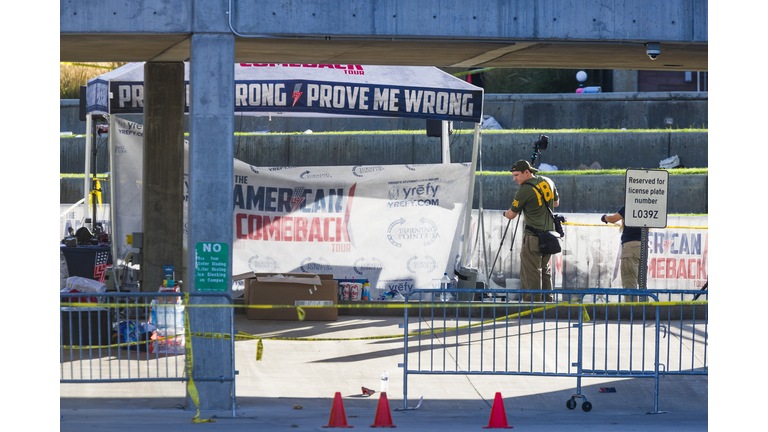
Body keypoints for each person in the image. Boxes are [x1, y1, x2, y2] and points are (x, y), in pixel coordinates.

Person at [503, 160, 559, 302]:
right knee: (545, 270)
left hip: (533, 237)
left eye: (516, 175)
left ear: (527, 172)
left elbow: (511, 214)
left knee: (530, 271)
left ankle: (532, 304)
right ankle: (548, 302)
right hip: (549, 236)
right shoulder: (548, 181)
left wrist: (504, 213)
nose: (514, 179)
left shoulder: (524, 190)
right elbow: (556, 203)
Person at [601, 206, 644, 302]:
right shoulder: (647, 205)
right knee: (643, 282)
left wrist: (604, 217)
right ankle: (644, 311)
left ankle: (632, 312)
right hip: (644, 246)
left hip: (630, 246)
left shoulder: (631, 204)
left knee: (629, 281)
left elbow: (613, 219)